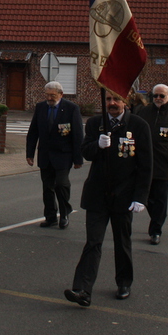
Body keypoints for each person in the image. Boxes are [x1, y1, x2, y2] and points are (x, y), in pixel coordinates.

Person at [64, 91, 152, 307]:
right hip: (98, 194)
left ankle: (124, 282)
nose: (112, 103)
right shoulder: (96, 123)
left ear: (125, 101)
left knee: (122, 242)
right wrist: (98, 145)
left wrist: (140, 197)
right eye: (108, 99)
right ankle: (82, 289)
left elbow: (146, 165)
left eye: (116, 99)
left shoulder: (139, 125)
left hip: (124, 195)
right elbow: (86, 152)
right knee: (93, 242)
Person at [134, 84, 168, 243]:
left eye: (161, 96)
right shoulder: (143, 112)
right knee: (146, 197)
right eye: (155, 96)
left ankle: (156, 230)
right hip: (143, 163)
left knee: (160, 199)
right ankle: (156, 218)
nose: (158, 98)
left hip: (163, 164)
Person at [26, 81, 84, 229]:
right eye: (47, 95)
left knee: (61, 184)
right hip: (45, 155)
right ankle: (50, 216)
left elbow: (78, 135)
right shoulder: (41, 107)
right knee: (47, 188)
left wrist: (78, 158)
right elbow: (33, 132)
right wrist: (30, 153)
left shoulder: (71, 108)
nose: (49, 98)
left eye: (52, 95)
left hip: (63, 155)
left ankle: (64, 214)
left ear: (61, 94)